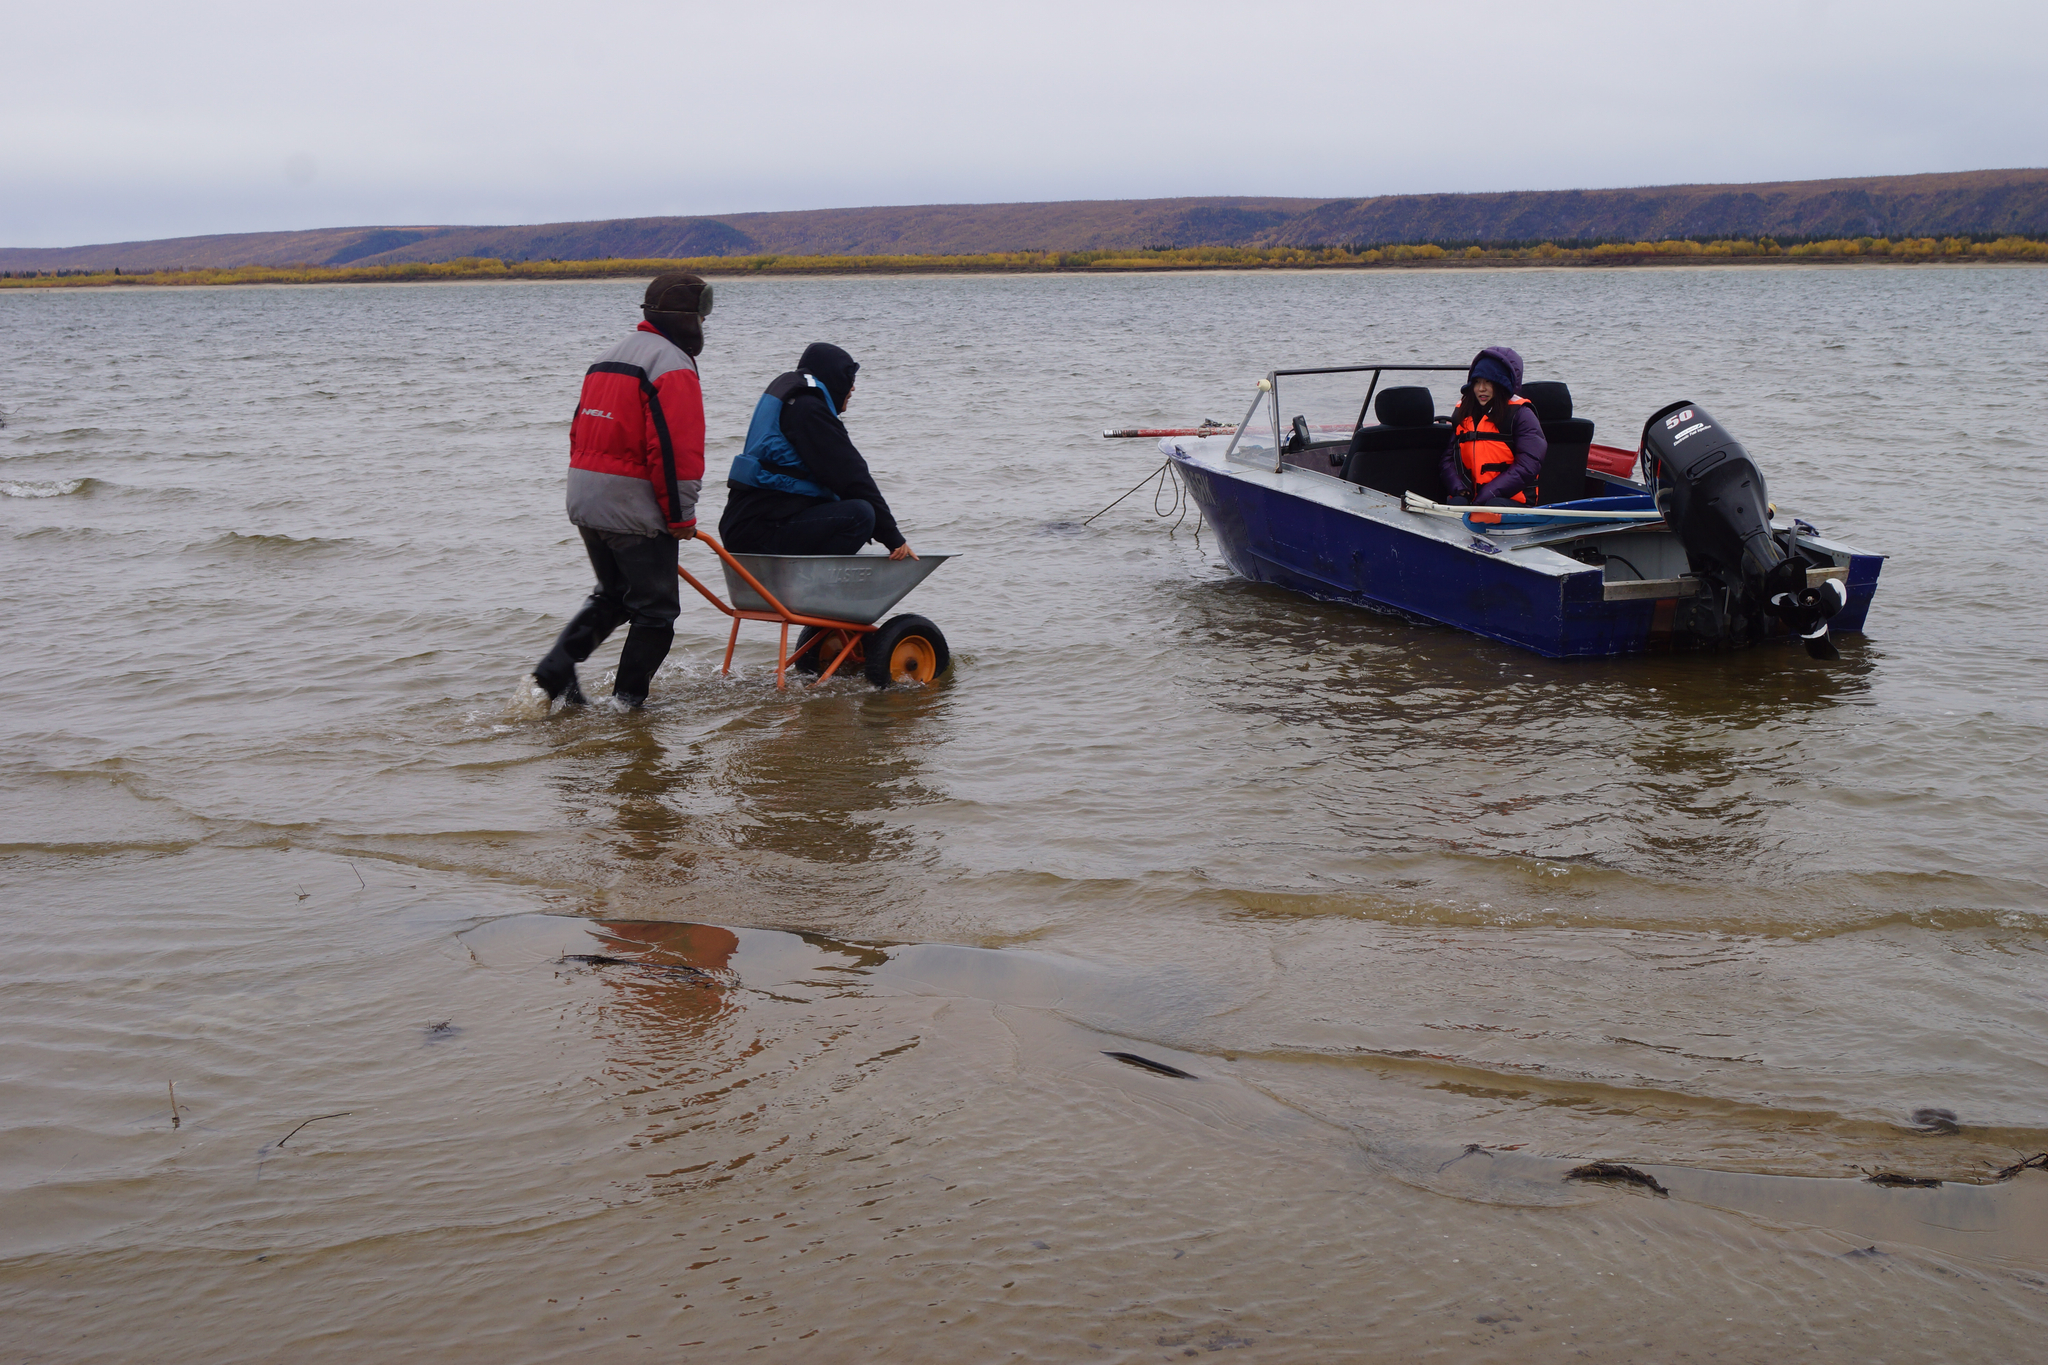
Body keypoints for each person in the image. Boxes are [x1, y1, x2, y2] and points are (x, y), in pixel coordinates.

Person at [531, 273, 710, 708]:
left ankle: (551, 675)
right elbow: (673, 451)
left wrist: (586, 495)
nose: (704, 326)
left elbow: (579, 432)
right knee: (656, 612)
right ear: (686, 319)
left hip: (587, 500)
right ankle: (626, 708)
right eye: (702, 316)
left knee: (613, 595)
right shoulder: (672, 366)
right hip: (633, 510)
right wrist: (681, 517)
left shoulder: (607, 358)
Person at [719, 342, 916, 560]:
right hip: (759, 532)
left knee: (840, 503)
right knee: (860, 515)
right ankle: (813, 588)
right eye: (848, 378)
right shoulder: (808, 411)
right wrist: (893, 538)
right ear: (832, 377)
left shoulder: (794, 402)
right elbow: (852, 476)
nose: (852, 388)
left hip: (749, 526)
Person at [1441, 345, 1547, 507]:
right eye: (1477, 382)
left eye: (1488, 382)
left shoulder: (1522, 415)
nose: (1481, 389)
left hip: (1510, 500)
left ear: (1501, 383)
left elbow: (1528, 464)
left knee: (1491, 510)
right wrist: (1459, 489)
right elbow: (1448, 460)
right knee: (1455, 505)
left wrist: (1490, 493)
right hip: (1474, 499)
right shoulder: (1464, 413)